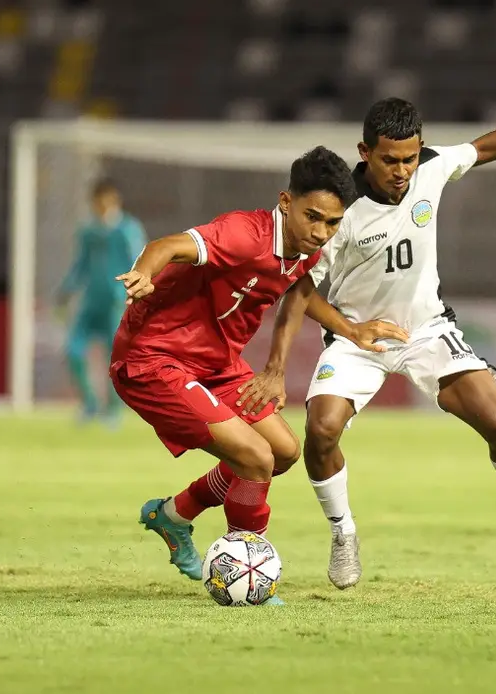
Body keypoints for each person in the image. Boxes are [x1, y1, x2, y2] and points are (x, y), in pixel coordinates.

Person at [238, 88, 496, 589]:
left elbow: (485, 147)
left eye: (409, 158)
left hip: (427, 330)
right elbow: (299, 292)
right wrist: (278, 366)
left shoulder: (431, 167)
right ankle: (343, 534)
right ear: (365, 154)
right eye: (389, 160)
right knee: (320, 432)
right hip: (357, 338)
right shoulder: (341, 211)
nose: (402, 170)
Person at [110, 147, 403, 600]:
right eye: (313, 217)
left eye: (332, 223)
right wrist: (144, 275)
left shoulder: (303, 250)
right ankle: (246, 573)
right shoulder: (242, 235)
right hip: (154, 357)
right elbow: (165, 247)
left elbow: (300, 292)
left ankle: (174, 514)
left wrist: (348, 330)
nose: (321, 232)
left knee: (283, 451)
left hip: (216, 363)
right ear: (285, 202)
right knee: (255, 457)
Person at [56, 180, 145, 423]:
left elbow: (139, 263)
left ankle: (113, 411)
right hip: (91, 302)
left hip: (116, 303)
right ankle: (90, 404)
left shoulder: (127, 230)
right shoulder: (88, 231)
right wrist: (67, 289)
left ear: (114, 200)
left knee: (115, 359)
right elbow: (81, 264)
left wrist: (135, 296)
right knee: (74, 350)